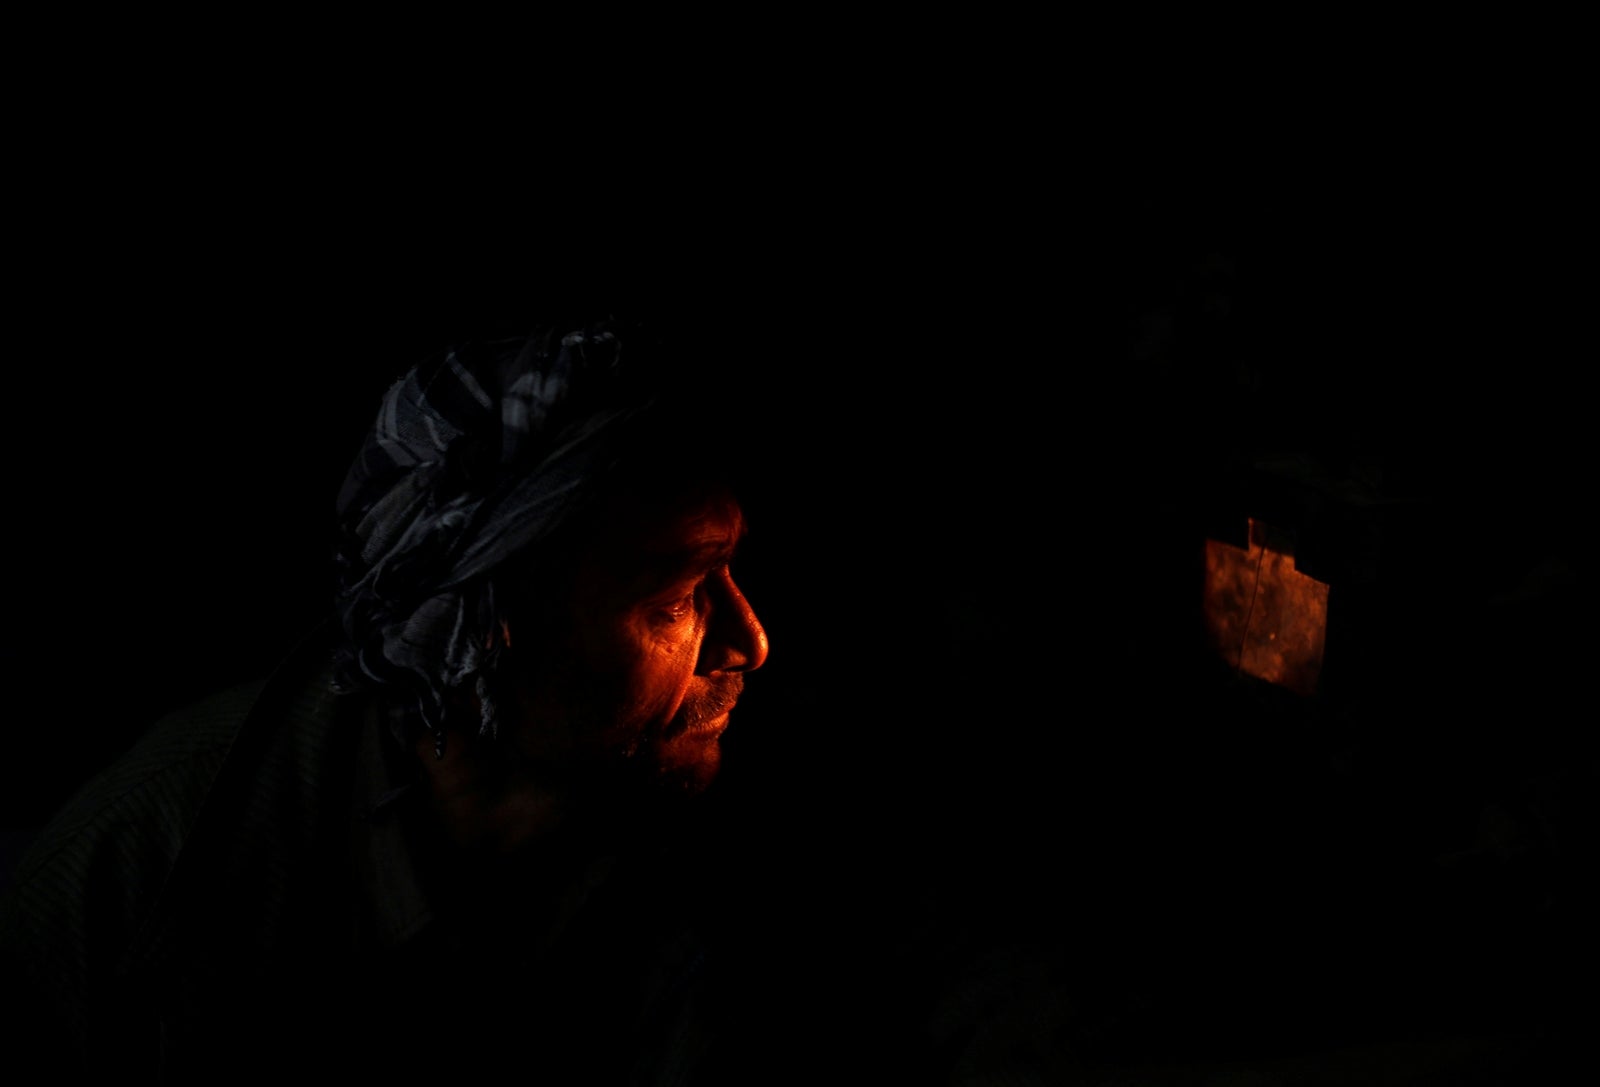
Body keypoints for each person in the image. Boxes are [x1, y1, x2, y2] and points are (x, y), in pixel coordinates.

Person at [0, 320, 778, 1084]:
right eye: (676, 602)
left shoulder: (745, 863)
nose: (751, 641)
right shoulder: (147, 880)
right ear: (478, 635)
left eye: (729, 575)